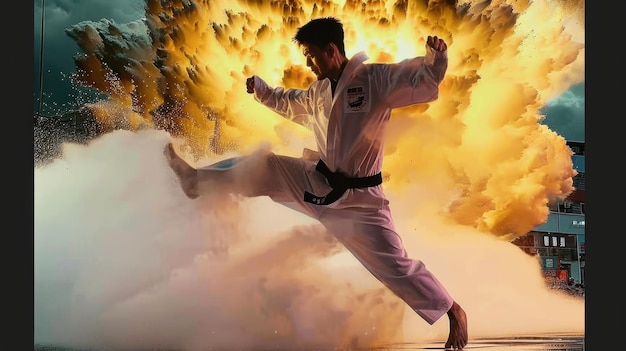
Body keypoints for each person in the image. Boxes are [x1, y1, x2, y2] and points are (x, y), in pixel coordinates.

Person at [164, 17, 468, 349]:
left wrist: (435, 59)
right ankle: (196, 181)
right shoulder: (318, 92)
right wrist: (262, 91)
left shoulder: (374, 79)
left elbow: (421, 80)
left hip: (360, 200)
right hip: (317, 181)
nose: (307, 63)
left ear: (331, 49)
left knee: (394, 264)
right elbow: (288, 102)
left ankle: (453, 311)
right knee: (265, 166)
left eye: (311, 55)